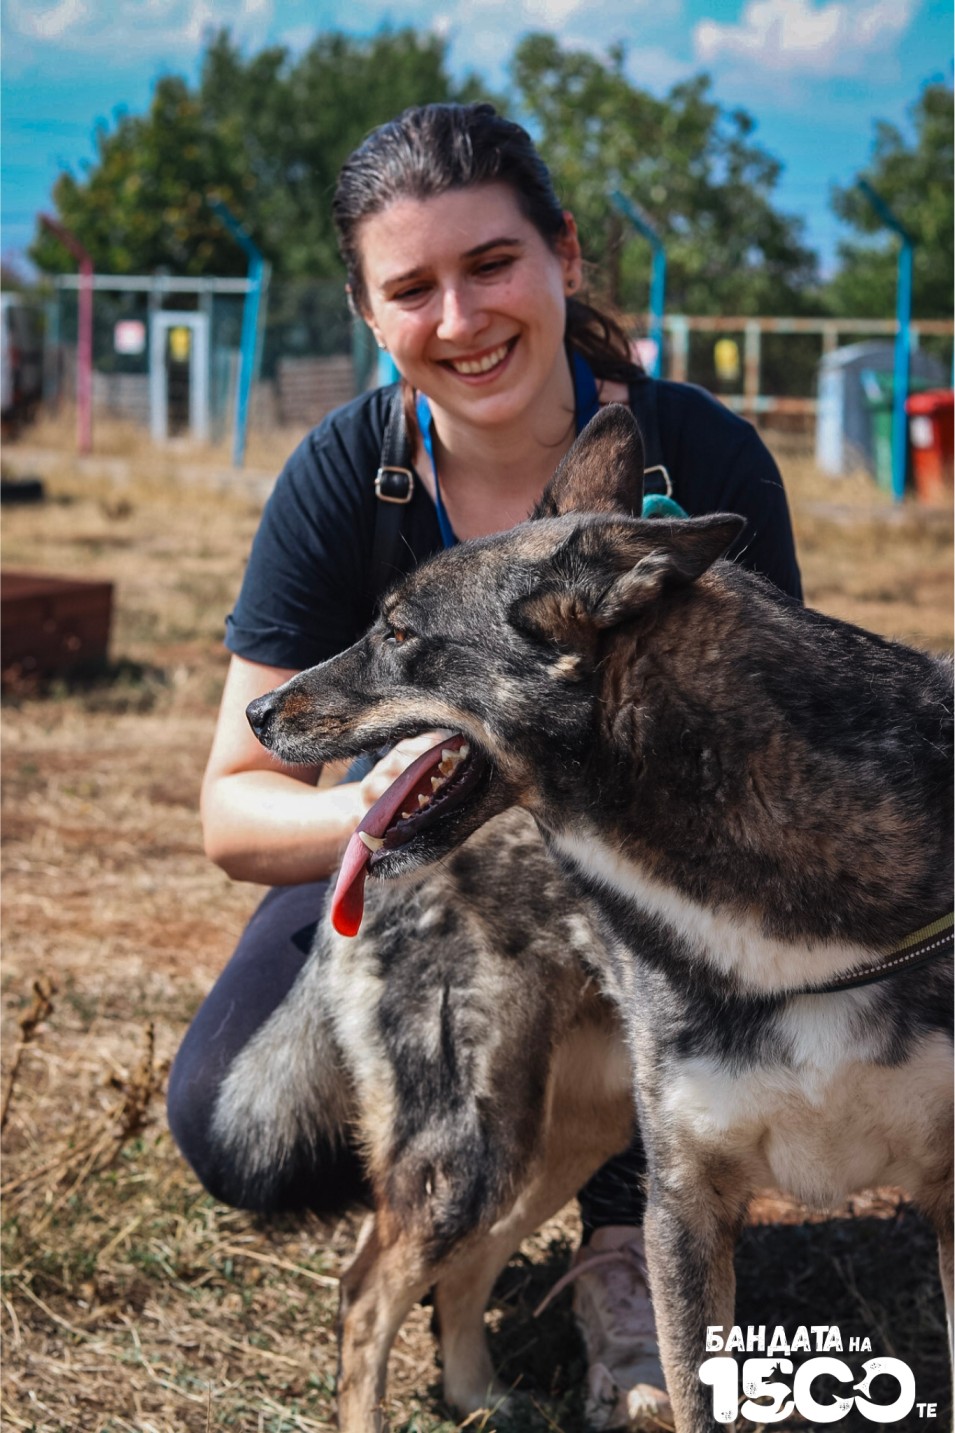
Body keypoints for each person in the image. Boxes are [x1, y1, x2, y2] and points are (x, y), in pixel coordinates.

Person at [167, 101, 802, 1431]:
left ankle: (627, 1237)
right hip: (410, 860)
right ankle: (467, 1193)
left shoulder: (702, 458)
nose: (460, 317)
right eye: (412, 288)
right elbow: (234, 805)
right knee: (237, 1132)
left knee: (692, 966)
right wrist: (410, 804)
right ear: (366, 309)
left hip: (637, 883)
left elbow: (759, 769)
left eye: (491, 264)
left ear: (565, 256)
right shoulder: (349, 479)